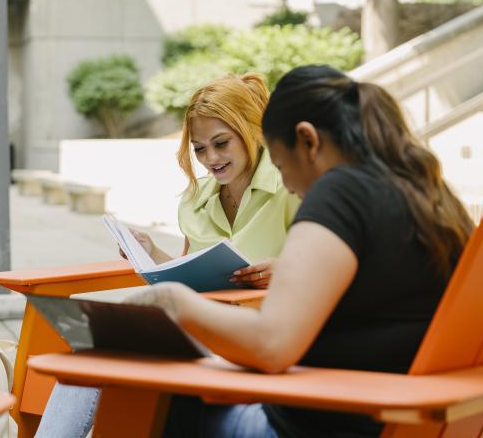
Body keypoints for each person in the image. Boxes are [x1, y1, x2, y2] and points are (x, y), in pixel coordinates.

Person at [124, 64, 474, 438]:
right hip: (399, 415)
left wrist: (172, 302)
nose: (287, 185)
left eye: (279, 163)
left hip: (326, 422)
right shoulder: (426, 193)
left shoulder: (341, 192)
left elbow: (272, 345)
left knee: (138, 391)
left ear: (307, 140)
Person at [34, 72, 302, 437]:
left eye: (221, 143)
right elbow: (188, 268)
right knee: (92, 358)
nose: (211, 158)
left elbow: (326, 269)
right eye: (200, 148)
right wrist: (151, 253)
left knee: (116, 359)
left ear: (251, 131)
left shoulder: (291, 185)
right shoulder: (196, 199)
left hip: (256, 335)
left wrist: (286, 269)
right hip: (197, 327)